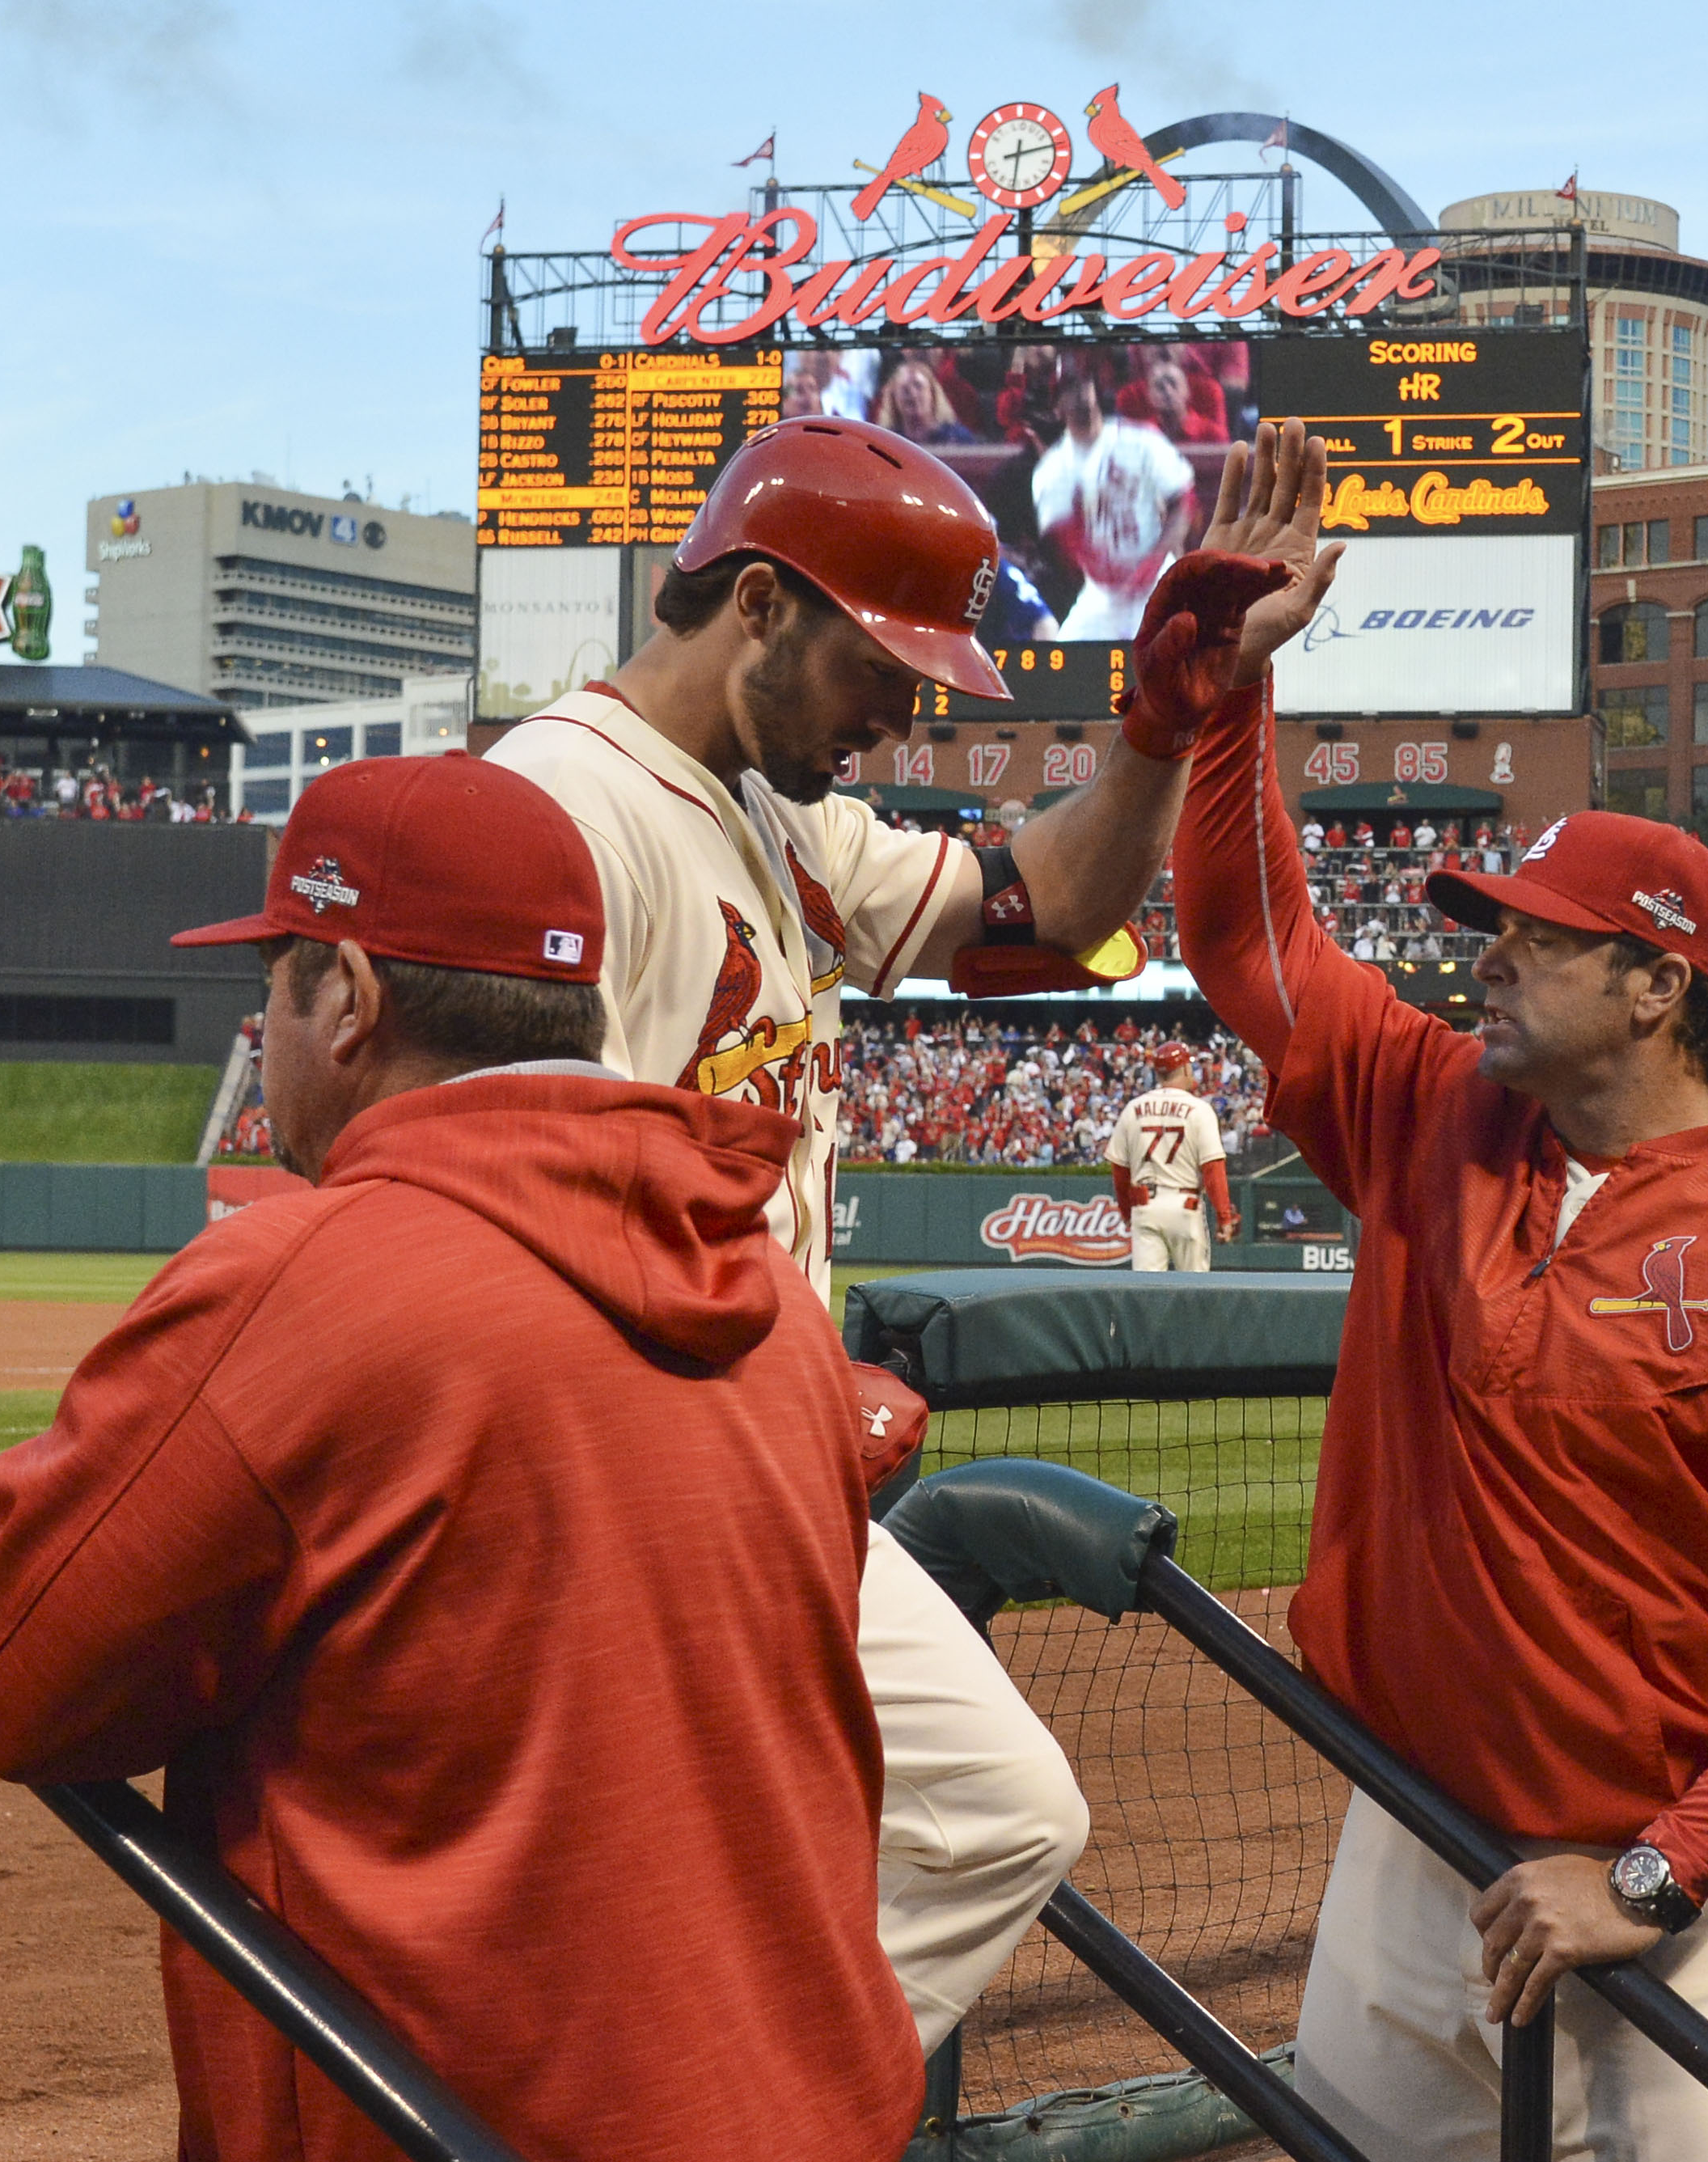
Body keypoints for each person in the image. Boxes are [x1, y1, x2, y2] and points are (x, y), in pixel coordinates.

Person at [0, 758, 927, 2162]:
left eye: (275, 980)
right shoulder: (765, 1294)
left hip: (477, 2122)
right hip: (813, 2103)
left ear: (345, 994)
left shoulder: (302, 1280)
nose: (265, 1019)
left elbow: (15, 1672)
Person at [1160, 418, 1708, 2160]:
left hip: (1652, 1873)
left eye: (1531, 932)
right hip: (1405, 1828)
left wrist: (1663, 1868)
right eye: (1488, 924)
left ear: (1657, 985)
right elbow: (1243, 938)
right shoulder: (1432, 1104)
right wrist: (1233, 695)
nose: (1484, 950)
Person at [490, 414, 1153, 2051]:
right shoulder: (561, 808)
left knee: (1002, 1817)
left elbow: (1052, 907)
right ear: (764, 605)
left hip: (764, 1461)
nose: (906, 708)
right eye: (884, 663)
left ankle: (729, 2099)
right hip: (634, 1481)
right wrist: (747, 1387)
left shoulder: (781, 815)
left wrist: (1173, 725)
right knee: (634, 1873)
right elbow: (505, 1212)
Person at [1034, 365, 1199, 638]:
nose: (1080, 395)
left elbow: (1183, 500)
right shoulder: (1053, 468)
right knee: (1065, 653)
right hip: (1103, 594)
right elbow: (1064, 537)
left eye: (1084, 384)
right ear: (1057, 408)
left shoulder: (1140, 440)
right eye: (1068, 390)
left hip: (1158, 578)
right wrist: (1103, 569)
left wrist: (1155, 558)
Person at [1105, 1039, 1237, 1270]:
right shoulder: (1199, 1110)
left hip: (1145, 1207)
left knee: (1148, 1294)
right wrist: (1224, 1217)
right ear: (1186, 1068)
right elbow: (1213, 1169)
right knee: (1194, 1294)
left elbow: (1120, 1172)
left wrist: (1127, 1212)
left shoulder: (1133, 1109)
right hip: (1185, 1207)